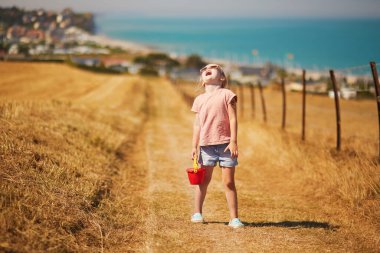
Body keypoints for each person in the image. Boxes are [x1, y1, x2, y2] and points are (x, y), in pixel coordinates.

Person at [190, 63, 244, 228]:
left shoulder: (227, 94)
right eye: (205, 69)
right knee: (203, 181)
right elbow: (197, 125)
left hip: (226, 145)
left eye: (214, 67)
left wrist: (233, 141)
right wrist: (194, 146)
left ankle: (234, 218)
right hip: (206, 145)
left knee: (228, 182)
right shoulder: (199, 99)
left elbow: (233, 119)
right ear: (202, 81)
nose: (208, 68)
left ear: (222, 78)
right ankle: (197, 213)